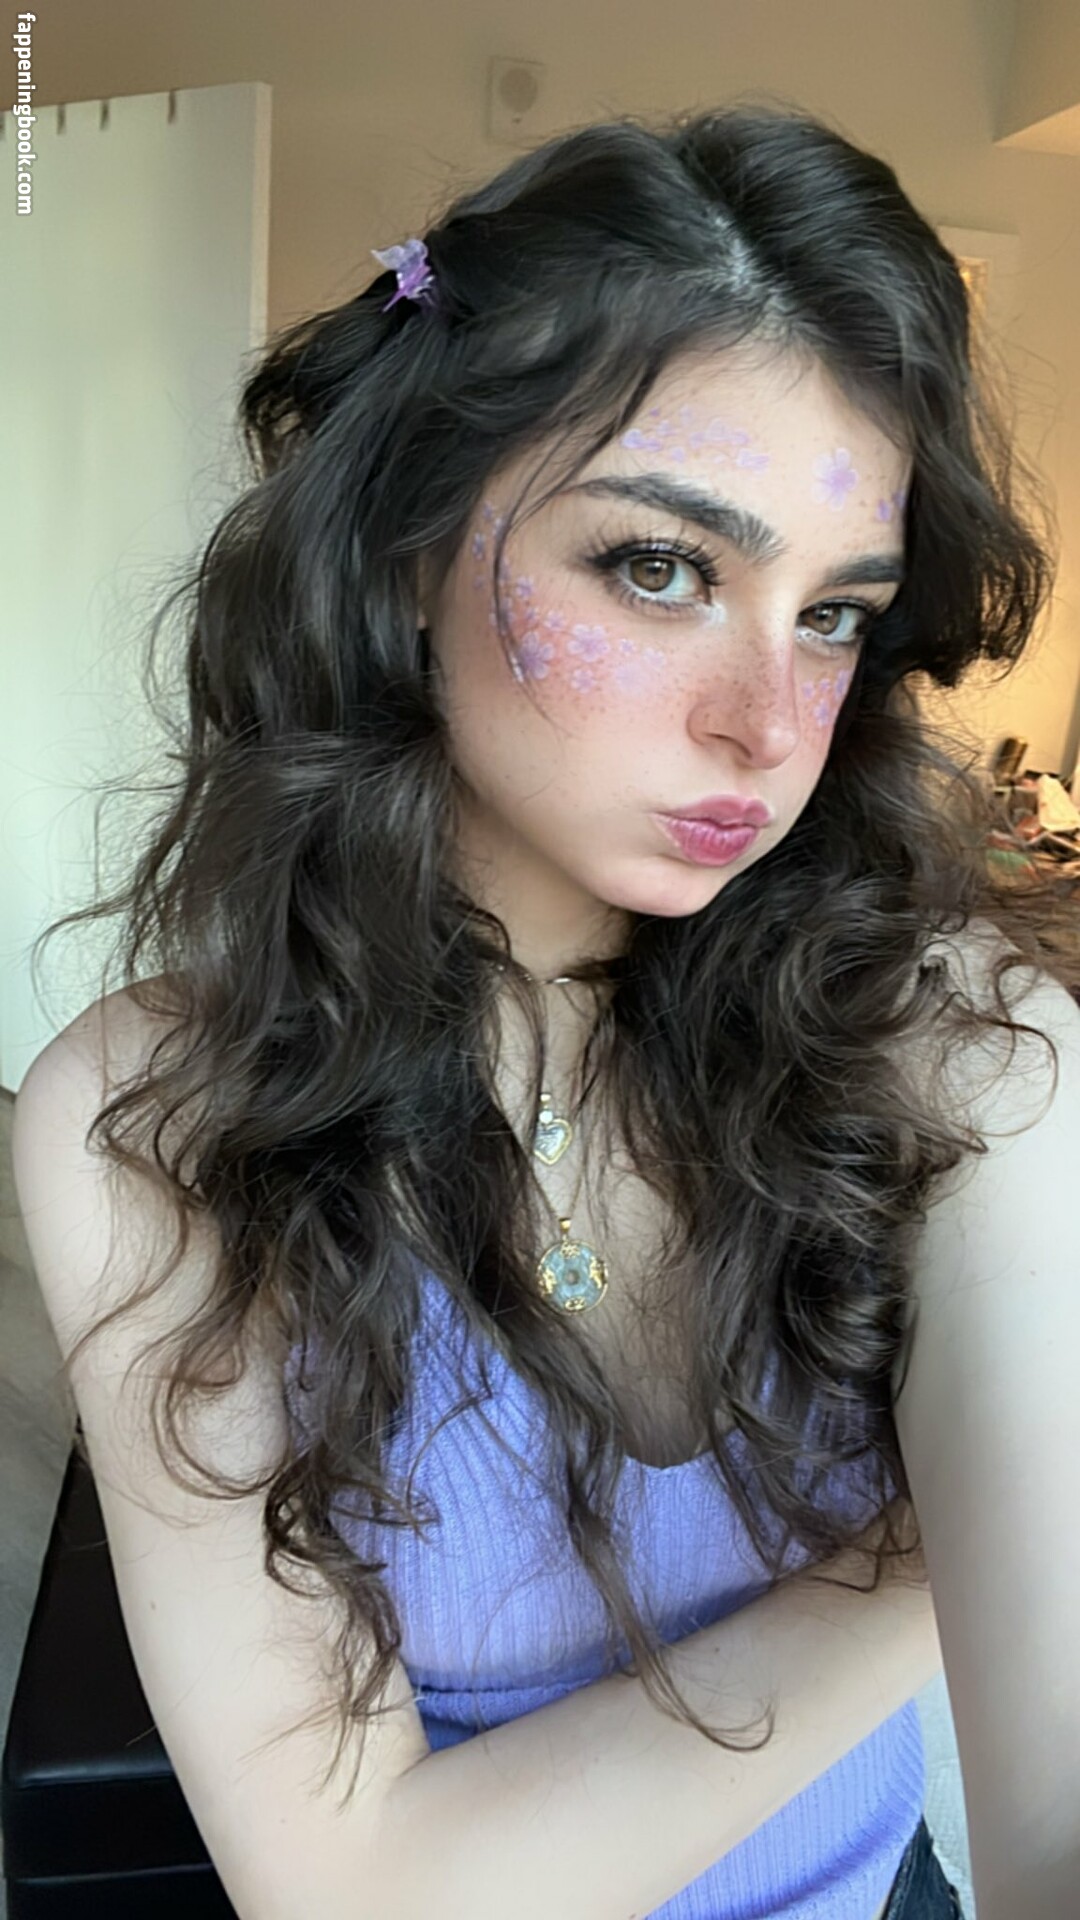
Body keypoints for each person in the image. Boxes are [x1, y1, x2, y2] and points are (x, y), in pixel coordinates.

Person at [12, 104, 1080, 1920]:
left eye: (835, 616)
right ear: (403, 551)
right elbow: (347, 1890)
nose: (767, 724)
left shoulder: (943, 1034)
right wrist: (917, 1580)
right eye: (661, 567)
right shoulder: (161, 1122)